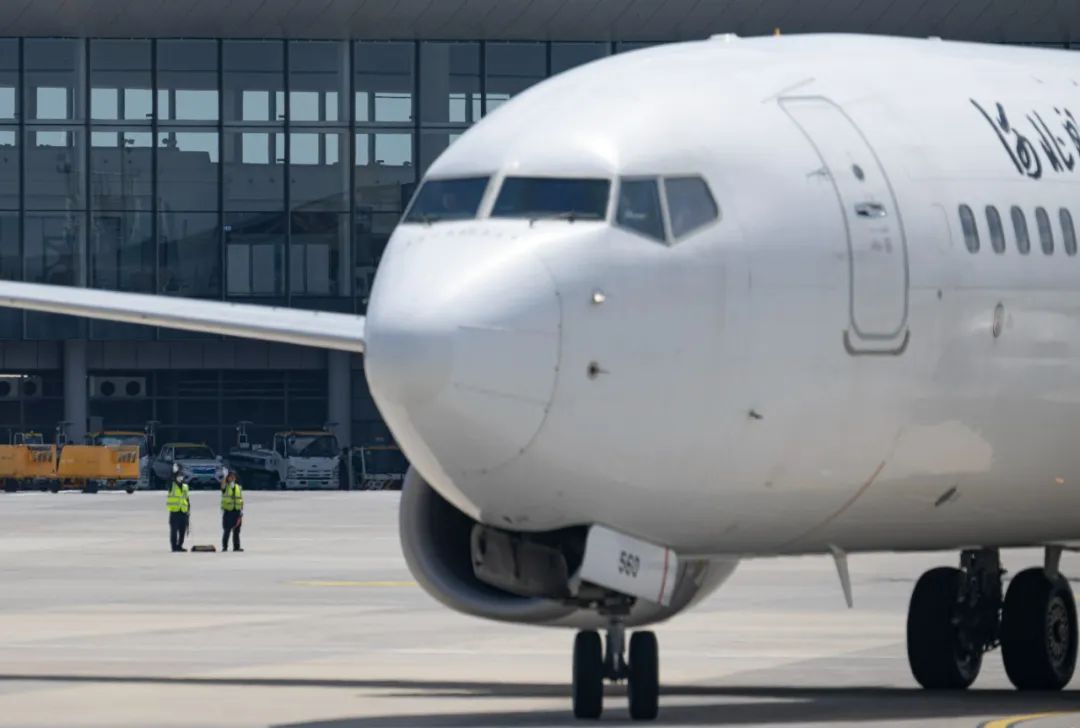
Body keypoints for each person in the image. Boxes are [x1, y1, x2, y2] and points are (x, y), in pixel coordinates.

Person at [166, 465, 191, 552]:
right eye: (179, 476)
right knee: (174, 531)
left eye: (181, 476)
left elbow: (187, 499)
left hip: (183, 511)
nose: (180, 477)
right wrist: (173, 472)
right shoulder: (172, 485)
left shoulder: (185, 486)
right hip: (175, 511)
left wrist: (188, 510)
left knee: (182, 531)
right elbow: (169, 479)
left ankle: (180, 545)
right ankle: (174, 547)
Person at [220, 470, 244, 552]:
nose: (232, 478)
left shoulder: (238, 487)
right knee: (227, 530)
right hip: (228, 511)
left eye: (233, 476)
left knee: (237, 530)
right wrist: (224, 476)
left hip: (237, 511)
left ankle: (236, 547)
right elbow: (222, 485)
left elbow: (241, 499)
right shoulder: (225, 486)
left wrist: (241, 511)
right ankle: (225, 547)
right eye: (230, 476)